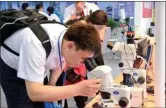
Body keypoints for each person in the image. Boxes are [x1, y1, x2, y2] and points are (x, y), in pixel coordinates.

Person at [0, 21, 102, 108]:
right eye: (82, 58)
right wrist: (78, 89)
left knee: (42, 101)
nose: (82, 63)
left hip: (38, 62)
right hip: (12, 68)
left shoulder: (67, 38)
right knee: (25, 102)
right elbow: (34, 93)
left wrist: (51, 85)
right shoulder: (35, 43)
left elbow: (61, 58)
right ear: (70, 46)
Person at [59, 10, 108, 108]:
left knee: (81, 93)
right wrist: (95, 68)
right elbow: (83, 53)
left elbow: (96, 51)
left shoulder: (96, 28)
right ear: (90, 22)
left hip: (78, 61)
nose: (98, 30)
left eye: (101, 28)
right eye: (97, 27)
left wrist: (102, 68)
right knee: (65, 92)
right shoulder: (81, 28)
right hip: (67, 61)